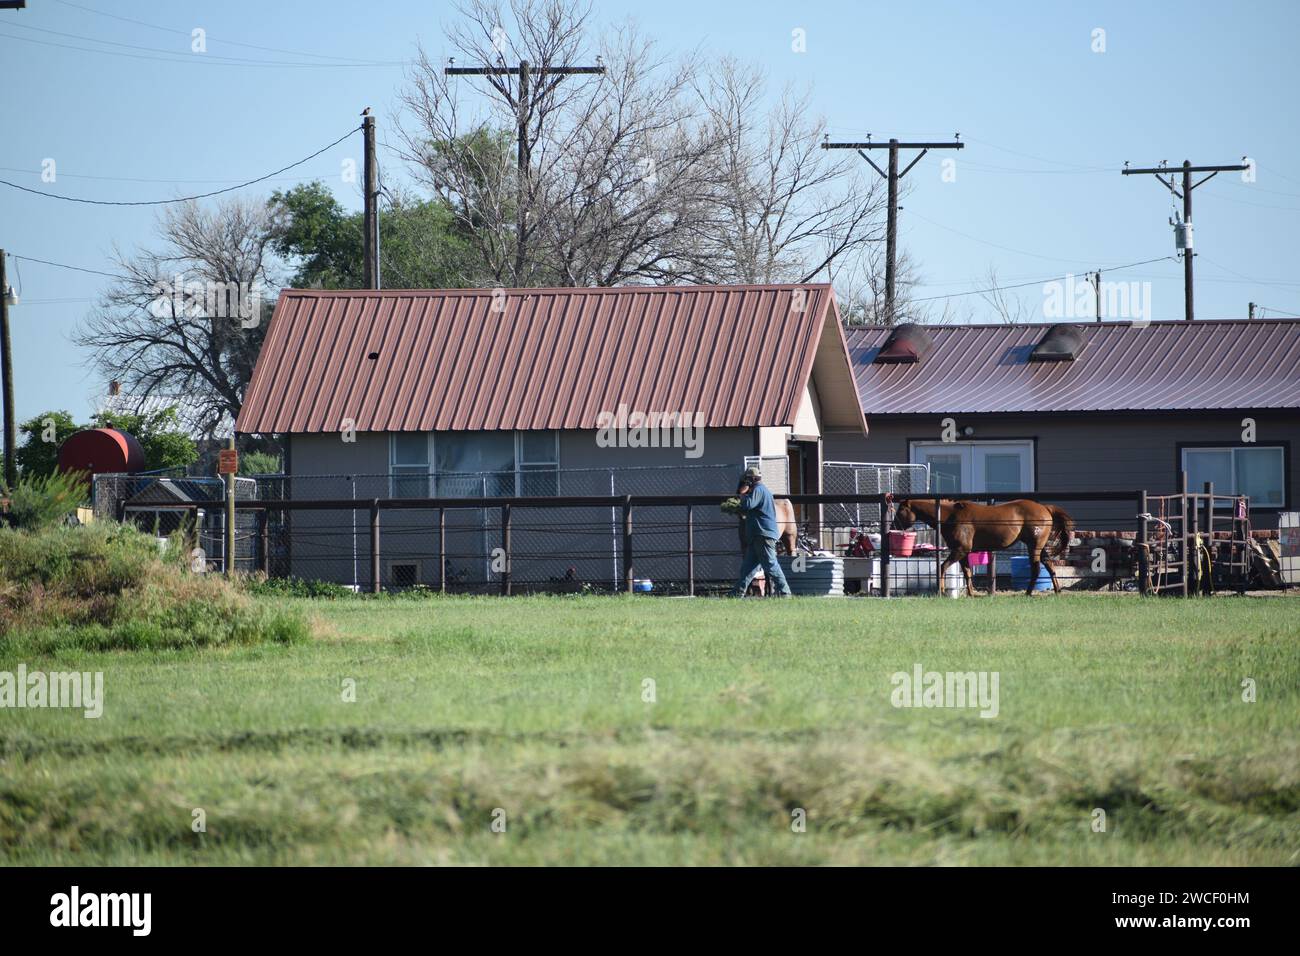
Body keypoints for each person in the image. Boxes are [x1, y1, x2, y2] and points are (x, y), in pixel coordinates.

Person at [731, 466, 792, 597]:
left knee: (771, 565)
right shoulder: (763, 490)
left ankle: (785, 592)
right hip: (758, 535)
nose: (747, 482)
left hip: (763, 534)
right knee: (747, 568)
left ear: (752, 479)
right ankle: (736, 594)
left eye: (748, 480)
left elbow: (747, 505)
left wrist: (742, 494)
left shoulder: (758, 490)